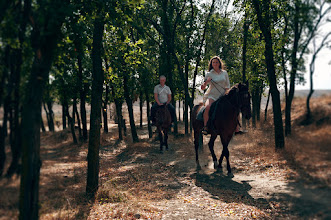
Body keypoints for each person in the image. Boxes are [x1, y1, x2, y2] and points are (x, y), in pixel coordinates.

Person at [200, 56, 230, 135]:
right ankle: (206, 126)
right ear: (211, 64)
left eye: (216, 62)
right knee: (207, 107)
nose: (215, 64)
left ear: (219, 63)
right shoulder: (209, 74)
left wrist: (226, 94)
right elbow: (202, 88)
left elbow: (227, 86)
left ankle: (236, 128)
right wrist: (206, 82)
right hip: (212, 96)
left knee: (234, 106)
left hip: (223, 96)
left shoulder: (224, 73)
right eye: (213, 62)